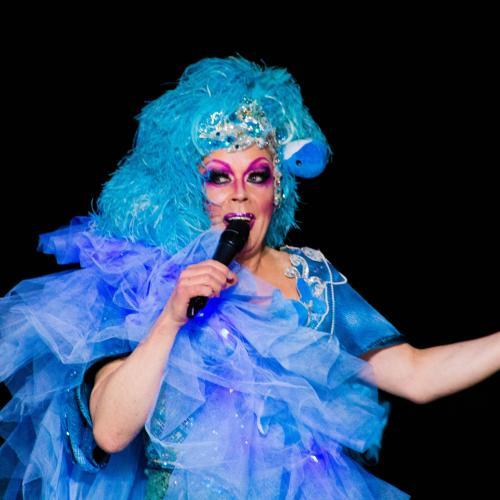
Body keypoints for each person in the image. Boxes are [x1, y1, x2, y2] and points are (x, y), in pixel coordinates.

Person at [1, 55, 498, 499]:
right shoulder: (147, 281)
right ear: (190, 191)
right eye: (219, 177)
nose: (239, 193)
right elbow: (110, 431)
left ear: (276, 189)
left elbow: (415, 375)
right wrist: (170, 319)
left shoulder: (311, 280)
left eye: (256, 175)